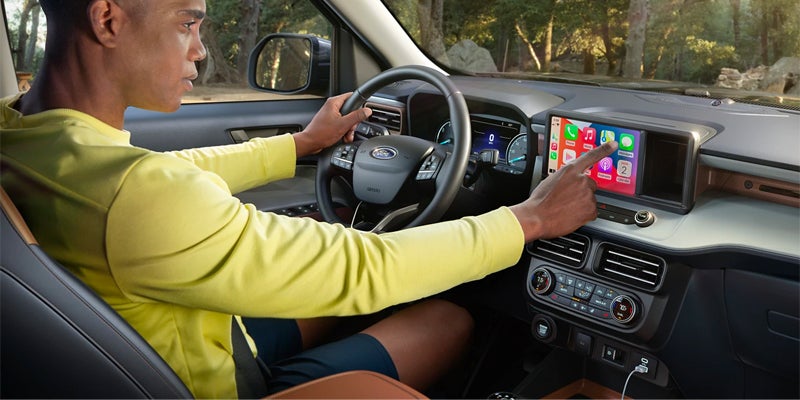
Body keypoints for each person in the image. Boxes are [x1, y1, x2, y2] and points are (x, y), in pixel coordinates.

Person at [0, 0, 617, 398]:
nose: (200, 49)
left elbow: (171, 171)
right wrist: (530, 218)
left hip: (175, 342)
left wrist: (300, 144)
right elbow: (366, 266)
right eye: (187, 23)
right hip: (208, 384)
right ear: (107, 20)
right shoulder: (139, 196)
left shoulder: (25, 133)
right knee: (449, 319)